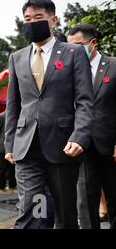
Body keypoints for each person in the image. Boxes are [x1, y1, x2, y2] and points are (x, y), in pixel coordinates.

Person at [5, 0, 94, 229]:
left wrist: (80, 136)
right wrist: (10, 143)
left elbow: (85, 101)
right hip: (27, 148)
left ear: (53, 21)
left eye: (38, 18)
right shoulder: (17, 58)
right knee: (31, 211)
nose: (32, 23)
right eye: (27, 19)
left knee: (64, 216)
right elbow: (13, 104)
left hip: (62, 146)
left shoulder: (74, 53)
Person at [67, 24, 116, 229]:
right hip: (83, 146)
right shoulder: (67, 72)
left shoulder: (113, 65)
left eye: (78, 46)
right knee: (85, 202)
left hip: (111, 146)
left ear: (93, 43)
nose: (73, 52)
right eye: (69, 48)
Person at [0, 110, 16, 191]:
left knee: (12, 167)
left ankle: (12, 185)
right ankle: (1, 186)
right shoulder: (1, 116)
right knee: (2, 168)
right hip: (2, 147)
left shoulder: (17, 115)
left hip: (15, 147)